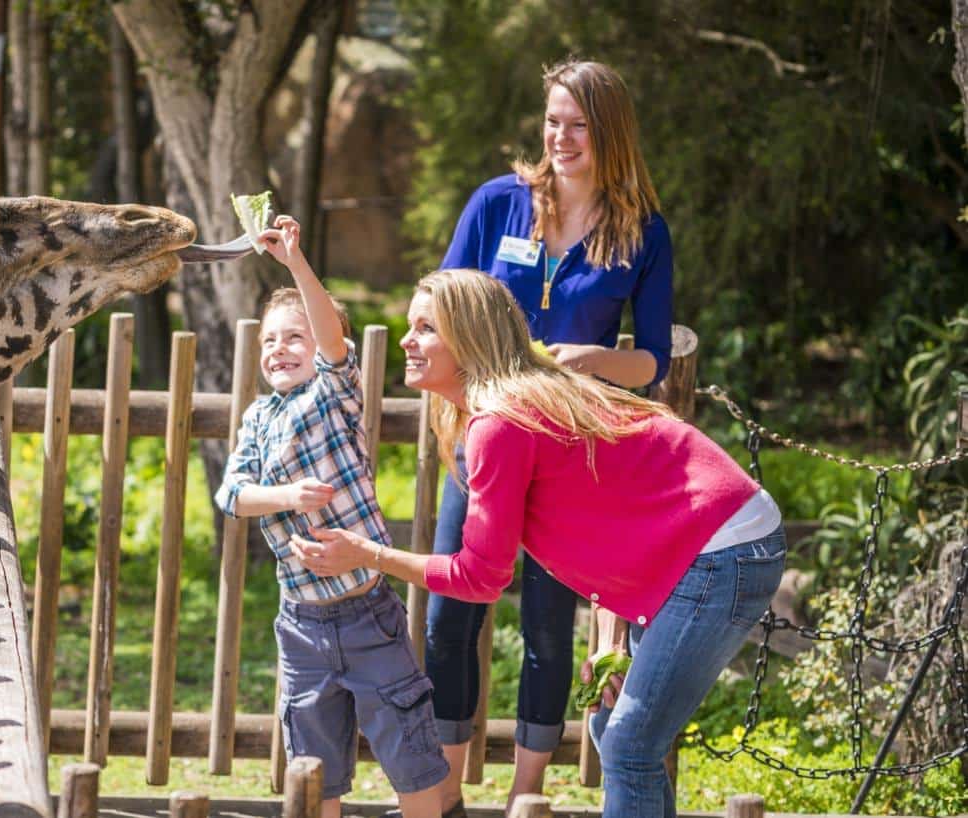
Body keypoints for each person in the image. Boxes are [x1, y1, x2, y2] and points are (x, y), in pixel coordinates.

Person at [293, 269, 785, 818]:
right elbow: (611, 516)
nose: (407, 340)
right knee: (613, 726)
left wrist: (370, 555)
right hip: (699, 544)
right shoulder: (508, 405)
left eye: (426, 328)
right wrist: (609, 638)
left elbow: (481, 577)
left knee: (628, 743)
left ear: (469, 336)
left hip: (722, 544)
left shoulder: (501, 422)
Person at [429, 58, 674, 812]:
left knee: (546, 625)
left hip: (572, 455)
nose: (561, 138)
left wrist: (593, 357)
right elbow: (439, 302)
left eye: (579, 125)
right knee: (449, 617)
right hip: (486, 441)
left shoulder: (642, 232)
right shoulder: (497, 203)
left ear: (610, 133)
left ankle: (524, 796)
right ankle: (443, 788)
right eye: (553, 122)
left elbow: (652, 358)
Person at [215, 216, 448, 818]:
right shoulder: (258, 419)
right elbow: (233, 495)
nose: (279, 349)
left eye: (294, 337)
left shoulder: (334, 395)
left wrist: (295, 262)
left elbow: (330, 344)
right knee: (315, 770)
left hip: (369, 616)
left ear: (322, 348)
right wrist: (289, 496)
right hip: (301, 627)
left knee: (409, 751)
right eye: (269, 341)